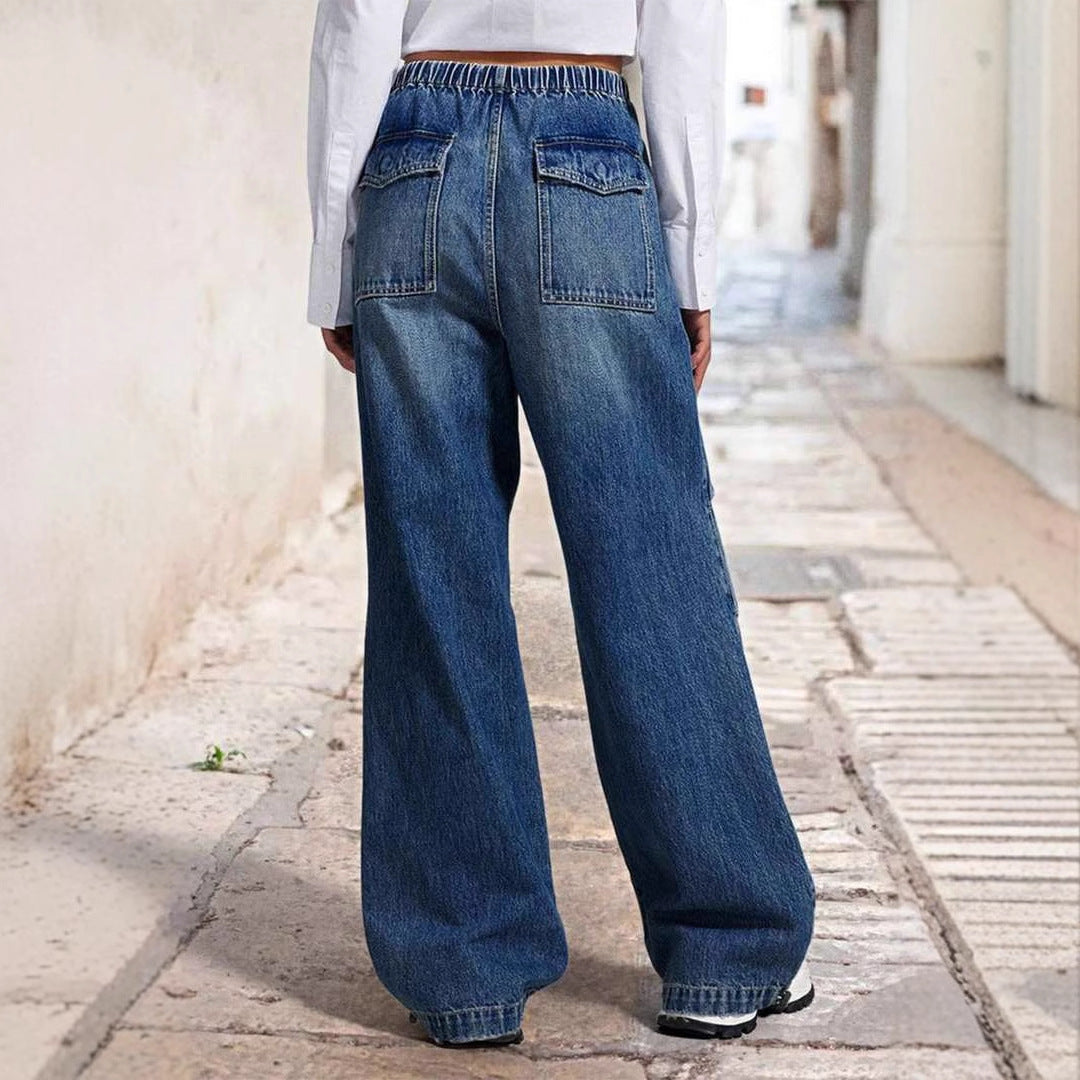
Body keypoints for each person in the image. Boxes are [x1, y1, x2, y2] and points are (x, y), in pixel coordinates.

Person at [305, 0, 816, 1049]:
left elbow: (357, 22)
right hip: (585, 150)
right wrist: (690, 259)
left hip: (412, 155)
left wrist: (335, 257)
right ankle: (724, 951)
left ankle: (463, 969)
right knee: (650, 561)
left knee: (433, 578)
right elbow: (682, 31)